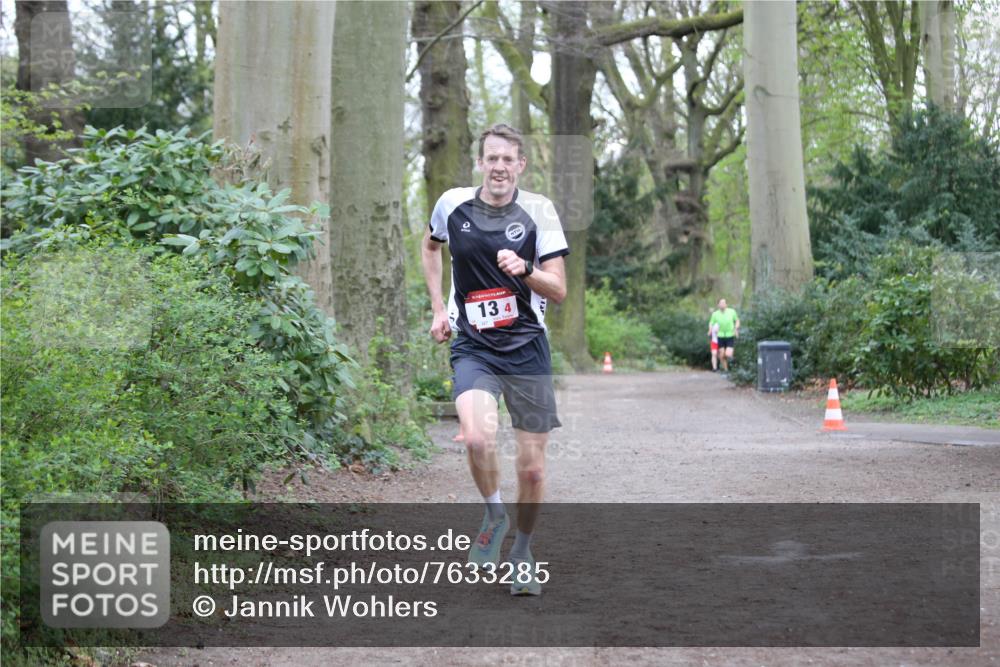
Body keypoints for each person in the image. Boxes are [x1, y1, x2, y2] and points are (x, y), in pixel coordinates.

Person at [421, 123, 568, 596]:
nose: (499, 167)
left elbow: (559, 289)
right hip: (474, 346)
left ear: (520, 165)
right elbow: (430, 246)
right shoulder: (452, 204)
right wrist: (439, 308)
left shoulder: (540, 211)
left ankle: (522, 551)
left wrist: (525, 269)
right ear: (480, 163)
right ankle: (494, 512)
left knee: (533, 469)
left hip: (527, 346)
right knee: (477, 435)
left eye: (508, 159)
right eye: (492, 158)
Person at [708, 298, 740, 372]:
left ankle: (732, 358)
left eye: (724, 303)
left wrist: (736, 328)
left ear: (726, 304)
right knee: (722, 355)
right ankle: (726, 370)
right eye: (721, 303)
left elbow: (737, 320)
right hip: (720, 336)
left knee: (727, 354)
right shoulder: (715, 314)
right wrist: (710, 329)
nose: (722, 304)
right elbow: (711, 323)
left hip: (730, 335)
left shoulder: (732, 311)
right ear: (718, 305)